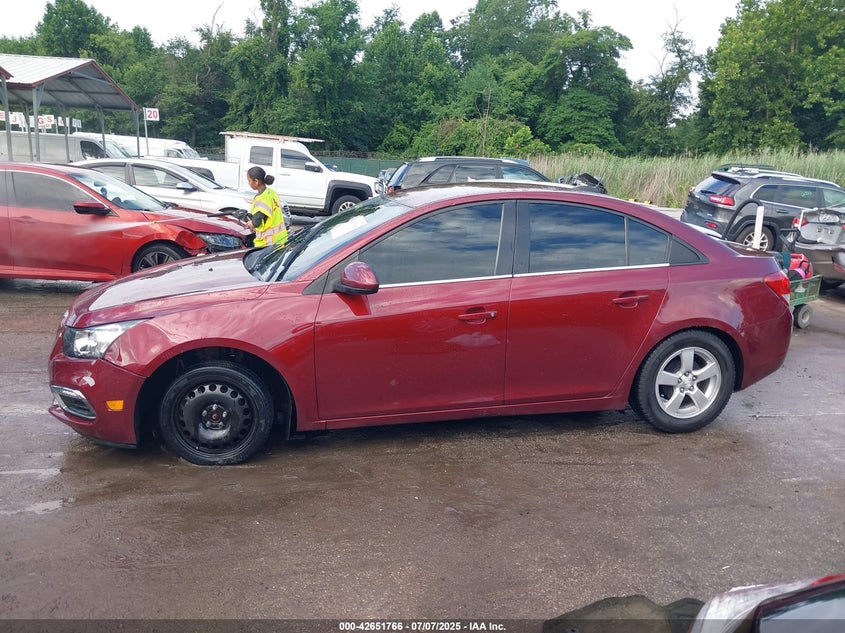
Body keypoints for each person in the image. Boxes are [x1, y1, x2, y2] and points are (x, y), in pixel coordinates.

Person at [245, 166, 287, 247]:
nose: (249, 183)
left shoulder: (261, 199)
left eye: (249, 181)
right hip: (281, 239)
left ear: (256, 181)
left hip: (267, 244)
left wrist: (248, 222)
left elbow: (256, 223)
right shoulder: (271, 193)